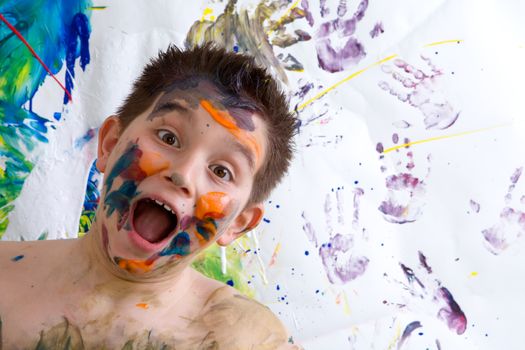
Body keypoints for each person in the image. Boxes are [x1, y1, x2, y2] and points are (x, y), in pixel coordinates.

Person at [0, 44, 300, 349]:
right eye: (168, 137)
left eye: (221, 171)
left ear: (240, 222)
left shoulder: (248, 341)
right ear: (110, 144)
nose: (183, 173)